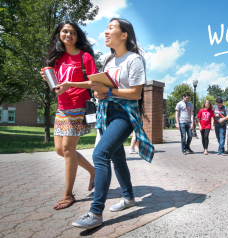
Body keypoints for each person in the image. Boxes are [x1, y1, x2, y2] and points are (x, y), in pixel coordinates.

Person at [72, 18, 154, 229]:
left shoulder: (134, 59)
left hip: (124, 114)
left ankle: (95, 212)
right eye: (106, 29)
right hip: (107, 113)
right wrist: (77, 86)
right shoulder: (109, 61)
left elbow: (135, 94)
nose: (106, 32)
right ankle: (129, 198)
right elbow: (97, 85)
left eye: (111, 28)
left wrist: (108, 91)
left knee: (100, 154)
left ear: (124, 34)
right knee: (117, 158)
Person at [40, 21, 97, 210]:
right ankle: (93, 171)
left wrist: (70, 84)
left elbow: (93, 83)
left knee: (67, 148)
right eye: (65, 31)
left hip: (78, 106)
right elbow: (57, 86)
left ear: (77, 36)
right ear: (59, 34)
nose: (68, 35)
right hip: (62, 107)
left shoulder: (85, 57)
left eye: (72, 32)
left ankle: (68, 194)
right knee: (60, 150)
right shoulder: (56, 59)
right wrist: (49, 79)